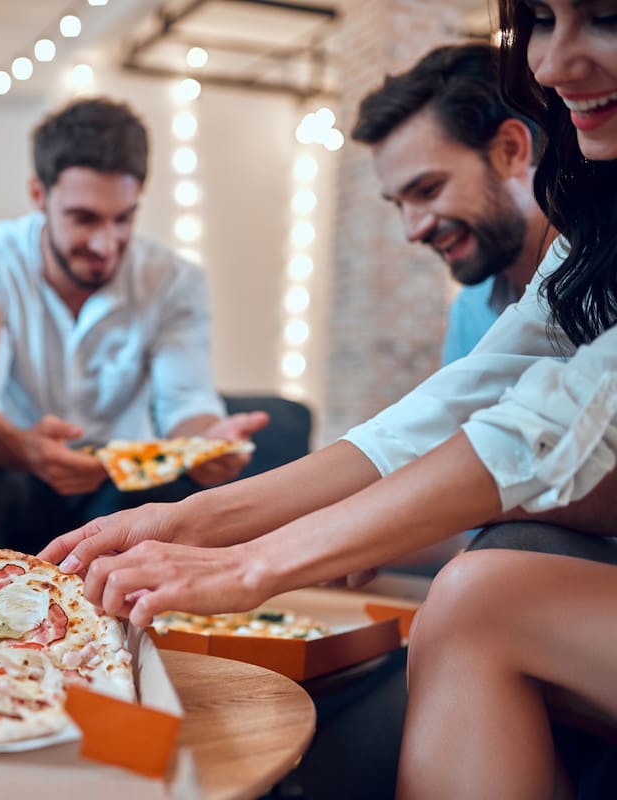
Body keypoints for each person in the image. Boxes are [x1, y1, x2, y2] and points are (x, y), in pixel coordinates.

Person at [42, 1, 617, 793]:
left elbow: (548, 433)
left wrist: (255, 564)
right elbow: (431, 421)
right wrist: (183, 521)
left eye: (608, 17)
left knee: (479, 593)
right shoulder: (584, 249)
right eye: (542, 22)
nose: (550, 64)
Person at [0, 97, 268, 554]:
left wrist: (207, 442)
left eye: (123, 219)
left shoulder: (175, 281)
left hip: (122, 487)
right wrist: (25, 448)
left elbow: (185, 402)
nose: (105, 243)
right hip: (13, 472)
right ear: (38, 194)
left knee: (174, 501)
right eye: (84, 219)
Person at [352, 42, 556, 366]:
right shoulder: (469, 311)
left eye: (429, 190)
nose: (413, 231)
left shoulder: (605, 284)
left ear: (510, 150)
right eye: (398, 204)